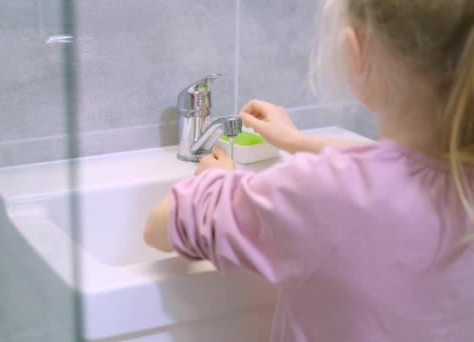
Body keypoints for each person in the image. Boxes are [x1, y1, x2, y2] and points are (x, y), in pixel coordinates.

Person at [144, 0, 474, 341]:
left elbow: (158, 226)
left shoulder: (325, 191)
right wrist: (297, 141)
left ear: (358, 51)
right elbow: (405, 169)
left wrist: (214, 182)